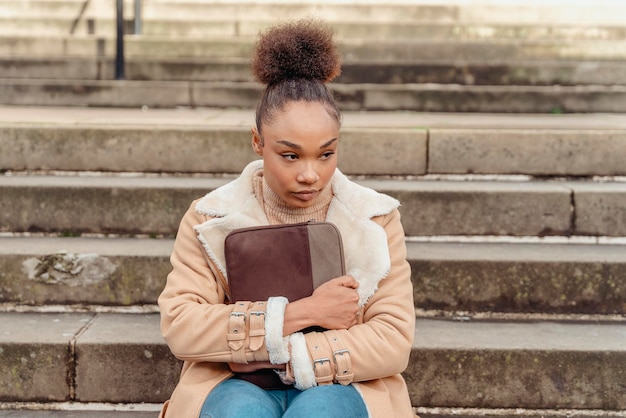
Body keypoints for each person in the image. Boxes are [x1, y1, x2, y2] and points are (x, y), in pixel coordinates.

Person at [158, 19, 416, 418]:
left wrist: (290, 355)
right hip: (232, 383)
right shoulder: (210, 216)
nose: (310, 174)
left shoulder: (375, 217)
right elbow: (182, 324)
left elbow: (393, 338)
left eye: (326, 154)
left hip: (347, 384)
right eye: (291, 155)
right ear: (258, 142)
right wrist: (304, 313)